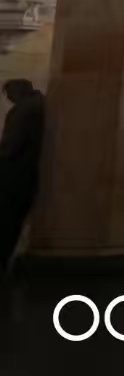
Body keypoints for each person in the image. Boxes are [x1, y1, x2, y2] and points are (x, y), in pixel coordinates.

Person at [0, 79, 44, 269]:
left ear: (17, 90)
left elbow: (10, 148)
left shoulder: (21, 111)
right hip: (32, 175)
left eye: (8, 94)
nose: (9, 99)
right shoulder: (46, 105)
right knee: (15, 223)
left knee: (5, 222)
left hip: (13, 176)